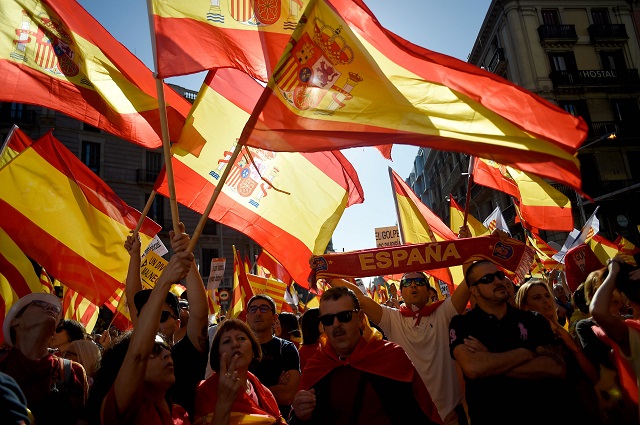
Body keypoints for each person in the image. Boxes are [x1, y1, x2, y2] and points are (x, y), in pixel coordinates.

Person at [328, 270, 469, 424]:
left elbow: (470, 280)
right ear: (401, 292)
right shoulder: (392, 318)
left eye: (419, 282)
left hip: (451, 415)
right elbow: (358, 298)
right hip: (413, 414)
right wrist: (328, 275)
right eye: (407, 283)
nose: (413, 285)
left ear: (429, 292)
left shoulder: (445, 312)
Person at [289, 286, 442, 424]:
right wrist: (301, 416)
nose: (336, 324)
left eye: (345, 316)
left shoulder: (391, 357)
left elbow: (421, 415)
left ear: (361, 318)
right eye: (328, 319)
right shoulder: (317, 365)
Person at [449, 260, 567, 425]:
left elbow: (555, 367)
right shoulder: (463, 324)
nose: (498, 281)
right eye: (488, 279)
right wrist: (527, 352)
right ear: (474, 289)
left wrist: (489, 358)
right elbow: (473, 368)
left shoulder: (533, 319)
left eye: (499, 275)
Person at [92, 250, 194, 425]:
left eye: (166, 349)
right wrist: (165, 280)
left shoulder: (180, 413)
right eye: (153, 350)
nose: (166, 355)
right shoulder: (126, 409)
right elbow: (137, 354)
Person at [125, 223, 209, 418]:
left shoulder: (186, 353)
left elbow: (199, 311)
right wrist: (135, 255)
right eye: (148, 315)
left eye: (161, 316)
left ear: (177, 323)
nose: (153, 321)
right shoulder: (134, 355)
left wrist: (186, 256)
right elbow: (132, 297)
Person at [515, 278, 602, 425]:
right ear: (524, 306)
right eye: (537, 298)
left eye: (547, 295)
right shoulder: (526, 338)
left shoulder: (563, 332)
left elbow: (593, 376)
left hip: (584, 406)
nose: (545, 301)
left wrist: (573, 347)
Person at [0, 292, 88, 425]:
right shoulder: (2, 364)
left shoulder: (73, 371)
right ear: (15, 322)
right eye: (39, 304)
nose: (51, 308)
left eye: (55, 309)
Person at [193, 319, 287, 425]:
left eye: (241, 338)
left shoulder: (263, 392)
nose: (235, 344)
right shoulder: (206, 391)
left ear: (253, 351)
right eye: (227, 341)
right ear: (218, 356)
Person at [589, 258, 640, 424]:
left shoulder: (631, 332)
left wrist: (613, 273)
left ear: (629, 302)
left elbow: (598, 311)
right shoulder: (634, 332)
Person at [246, 294, 300, 418]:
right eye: (253, 309)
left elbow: (288, 395)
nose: (258, 313)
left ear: (275, 318)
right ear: (247, 317)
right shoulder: (239, 349)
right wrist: (276, 388)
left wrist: (251, 391)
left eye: (264, 309)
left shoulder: (286, 349)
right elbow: (234, 394)